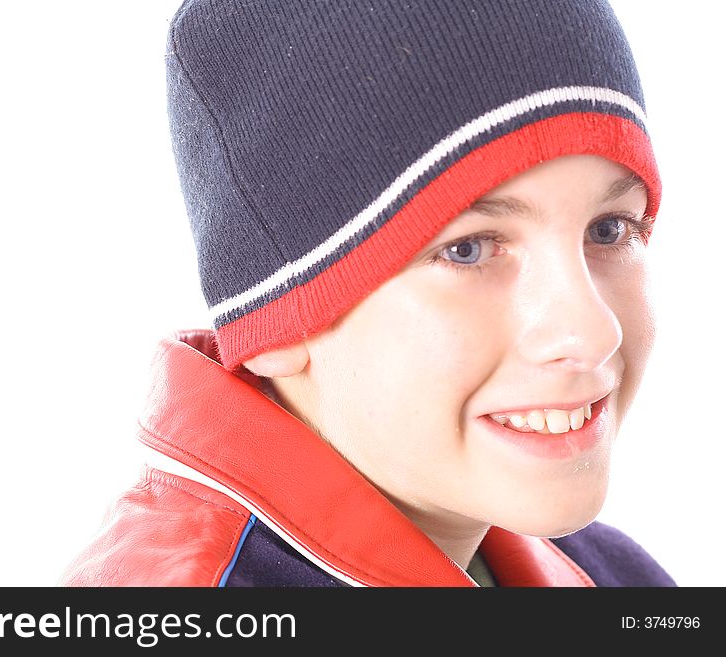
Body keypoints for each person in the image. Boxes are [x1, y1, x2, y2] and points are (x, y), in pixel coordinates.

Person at [60, 0, 676, 587]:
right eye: (468, 248)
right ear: (278, 318)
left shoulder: (613, 575)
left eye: (609, 230)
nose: (593, 333)